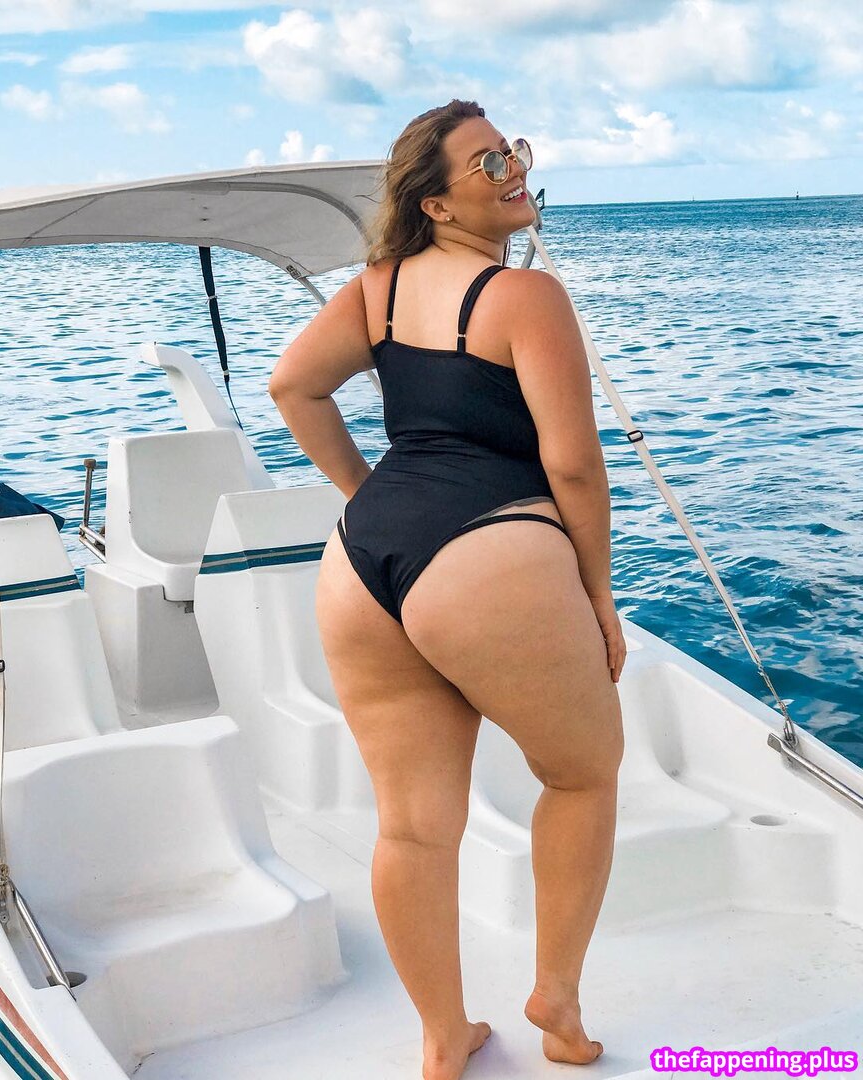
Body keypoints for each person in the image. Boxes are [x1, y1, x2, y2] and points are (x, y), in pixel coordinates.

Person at [269, 99, 626, 1080]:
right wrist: (598, 597)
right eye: (488, 163)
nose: (515, 170)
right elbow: (575, 466)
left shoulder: (375, 291)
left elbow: (292, 387)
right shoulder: (525, 297)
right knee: (583, 775)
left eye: (513, 150)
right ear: (435, 203)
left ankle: (442, 1037)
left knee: (413, 826)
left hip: (362, 564)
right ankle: (556, 1003)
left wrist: (366, 495)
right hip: (487, 549)